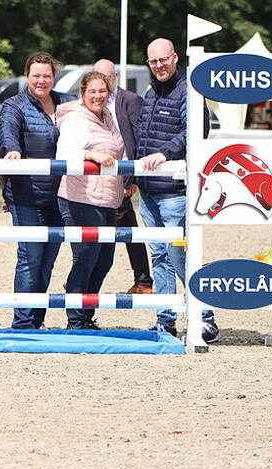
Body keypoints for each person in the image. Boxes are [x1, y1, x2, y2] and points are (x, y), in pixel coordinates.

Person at [135, 38, 219, 342]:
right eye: (153, 62)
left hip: (175, 190)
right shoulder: (150, 92)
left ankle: (204, 318)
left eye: (163, 60)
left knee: (179, 255)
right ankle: (165, 319)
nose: (159, 66)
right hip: (148, 191)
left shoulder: (189, 91)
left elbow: (196, 131)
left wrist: (166, 153)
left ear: (175, 58)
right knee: (158, 256)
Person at [0, 52, 75, 330]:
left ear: (53, 77)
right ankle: (22, 322)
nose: (41, 80)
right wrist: (13, 150)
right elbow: (8, 133)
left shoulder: (68, 102)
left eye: (46, 75)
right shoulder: (14, 105)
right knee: (30, 259)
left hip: (62, 195)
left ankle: (37, 320)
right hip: (27, 196)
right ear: (27, 76)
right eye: (36, 75)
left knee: (47, 262)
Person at [56, 71, 125, 330]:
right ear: (83, 94)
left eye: (102, 91)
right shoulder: (76, 119)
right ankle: (75, 318)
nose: (98, 96)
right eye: (92, 92)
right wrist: (91, 154)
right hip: (81, 198)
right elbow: (65, 152)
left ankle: (86, 315)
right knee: (86, 257)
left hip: (107, 199)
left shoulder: (107, 116)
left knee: (104, 260)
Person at [92, 59, 153, 295]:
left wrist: (132, 178)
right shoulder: (90, 100)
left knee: (125, 230)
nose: (103, 81)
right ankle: (141, 280)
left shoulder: (130, 100)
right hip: (96, 176)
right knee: (111, 230)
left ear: (115, 76)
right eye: (97, 75)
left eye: (106, 76)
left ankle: (142, 281)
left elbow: (139, 141)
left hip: (122, 174)